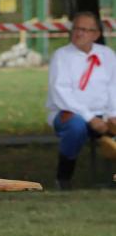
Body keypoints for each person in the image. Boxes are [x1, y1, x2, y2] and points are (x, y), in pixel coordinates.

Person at [46, 12, 116, 189]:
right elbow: (61, 92)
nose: (79, 33)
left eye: (85, 30)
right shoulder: (61, 56)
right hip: (70, 113)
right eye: (76, 28)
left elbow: (113, 87)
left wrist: (112, 114)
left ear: (96, 34)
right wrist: (90, 118)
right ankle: (63, 178)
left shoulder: (107, 54)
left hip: (103, 113)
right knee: (76, 127)